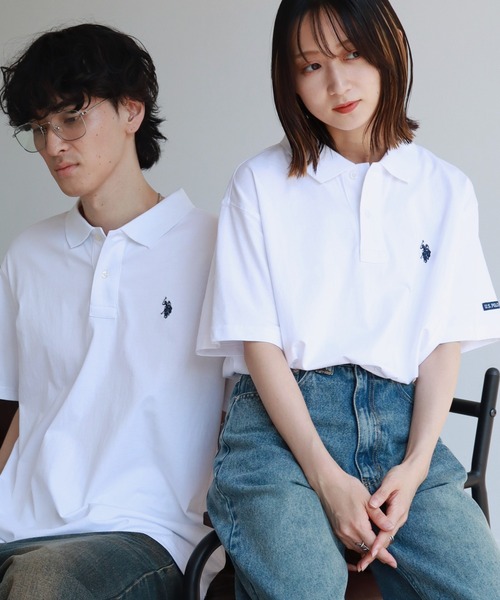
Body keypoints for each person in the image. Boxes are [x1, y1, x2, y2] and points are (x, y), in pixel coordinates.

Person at [196, 0, 500, 598]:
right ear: (290, 79)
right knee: (303, 587)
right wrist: (325, 477)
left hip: (402, 429)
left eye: (352, 54)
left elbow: (442, 342)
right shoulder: (258, 184)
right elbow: (259, 346)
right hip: (282, 432)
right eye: (311, 66)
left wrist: (415, 467)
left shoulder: (445, 189)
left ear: (390, 48)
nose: (336, 84)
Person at [0, 23, 225, 599]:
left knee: (42, 583)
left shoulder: (217, 248)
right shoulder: (27, 255)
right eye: (39, 128)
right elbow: (26, 410)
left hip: (148, 535)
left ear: (132, 111)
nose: (52, 145)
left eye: (71, 117)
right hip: (17, 528)